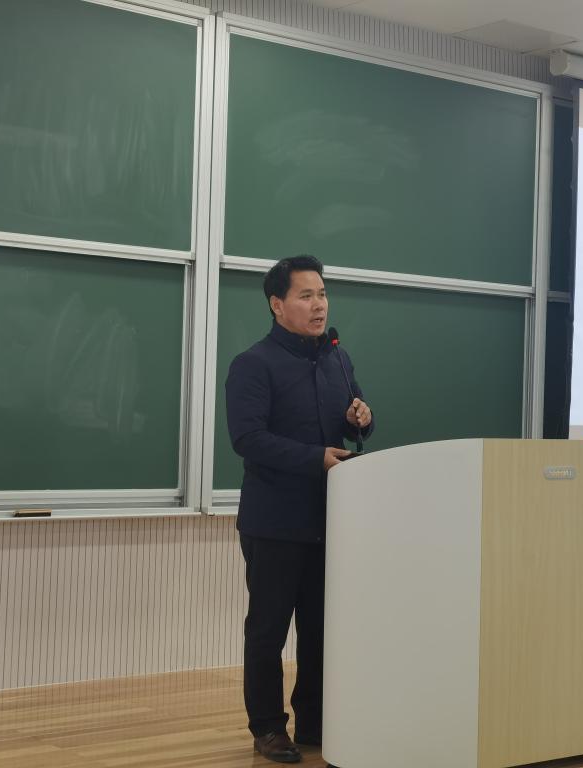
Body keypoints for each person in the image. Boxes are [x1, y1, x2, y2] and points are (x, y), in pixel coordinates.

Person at [225, 254, 374, 764]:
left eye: (322, 294)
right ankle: (268, 728)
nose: (318, 305)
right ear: (277, 304)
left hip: (330, 519)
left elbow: (350, 425)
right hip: (274, 522)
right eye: (306, 296)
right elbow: (248, 438)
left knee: (321, 628)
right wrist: (315, 459)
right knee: (268, 631)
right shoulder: (253, 364)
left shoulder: (337, 358)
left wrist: (361, 418)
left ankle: (315, 720)